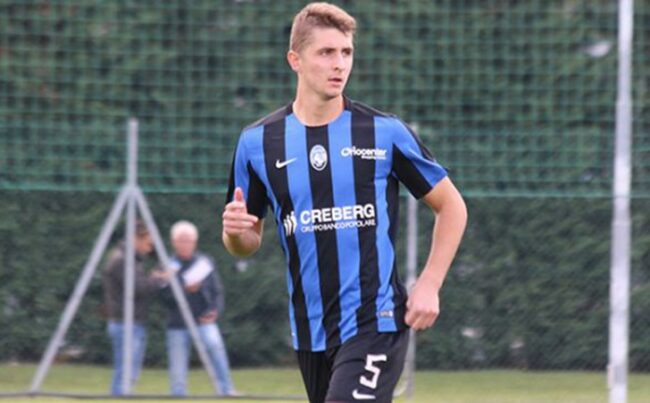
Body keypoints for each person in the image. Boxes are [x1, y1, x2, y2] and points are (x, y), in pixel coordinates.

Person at [222, 2, 468, 402]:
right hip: (310, 331)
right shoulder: (257, 143)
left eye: (346, 52)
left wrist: (429, 283)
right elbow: (246, 242)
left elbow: (452, 206)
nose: (339, 64)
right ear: (295, 60)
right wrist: (235, 233)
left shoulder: (383, 133)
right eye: (326, 52)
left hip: (376, 321)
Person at [158, 220, 237, 397]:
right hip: (178, 323)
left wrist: (215, 311)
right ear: (174, 242)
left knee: (215, 347)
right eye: (181, 240)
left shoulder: (205, 263)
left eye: (188, 240)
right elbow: (163, 295)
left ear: (195, 242)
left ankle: (226, 390)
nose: (185, 244)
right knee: (177, 363)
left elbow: (217, 291)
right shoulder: (167, 265)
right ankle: (178, 395)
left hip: (203, 320)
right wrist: (183, 287)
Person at [102, 220, 160, 396]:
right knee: (125, 373)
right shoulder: (122, 261)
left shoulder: (129, 259)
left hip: (132, 322)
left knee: (129, 372)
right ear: (136, 238)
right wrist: (156, 279)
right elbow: (137, 289)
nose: (149, 249)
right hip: (125, 323)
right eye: (147, 243)